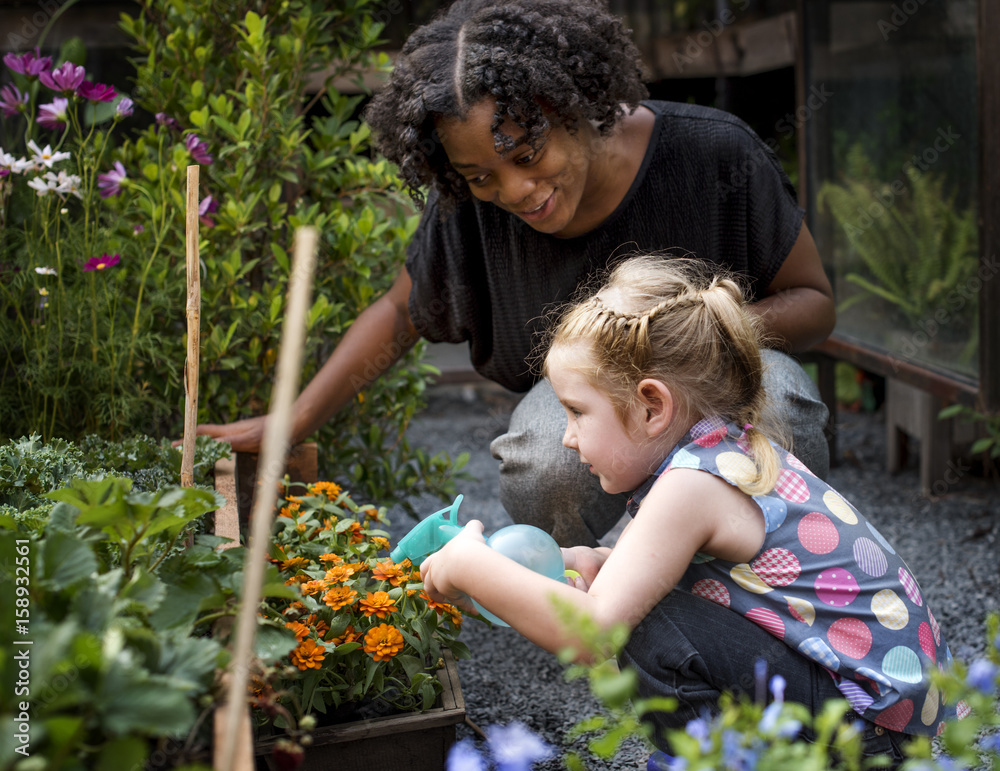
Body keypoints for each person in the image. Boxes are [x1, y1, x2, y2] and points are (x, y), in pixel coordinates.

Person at [198, 0, 836, 548]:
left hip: (727, 370)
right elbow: (400, 311)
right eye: (480, 177)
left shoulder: (711, 152)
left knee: (783, 407)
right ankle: (589, 588)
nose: (517, 191)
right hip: (595, 399)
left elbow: (813, 303)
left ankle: (769, 577)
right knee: (541, 468)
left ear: (572, 105)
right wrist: (292, 420)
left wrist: (689, 334)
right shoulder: (472, 208)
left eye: (528, 155)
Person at [419, 255, 955, 765]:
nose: (567, 438)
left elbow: (593, 634)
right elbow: (716, 581)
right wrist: (599, 560)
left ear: (653, 406)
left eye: (577, 412)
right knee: (645, 603)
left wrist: (470, 565)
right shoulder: (723, 451)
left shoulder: (691, 484)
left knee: (648, 625)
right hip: (878, 722)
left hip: (865, 732)